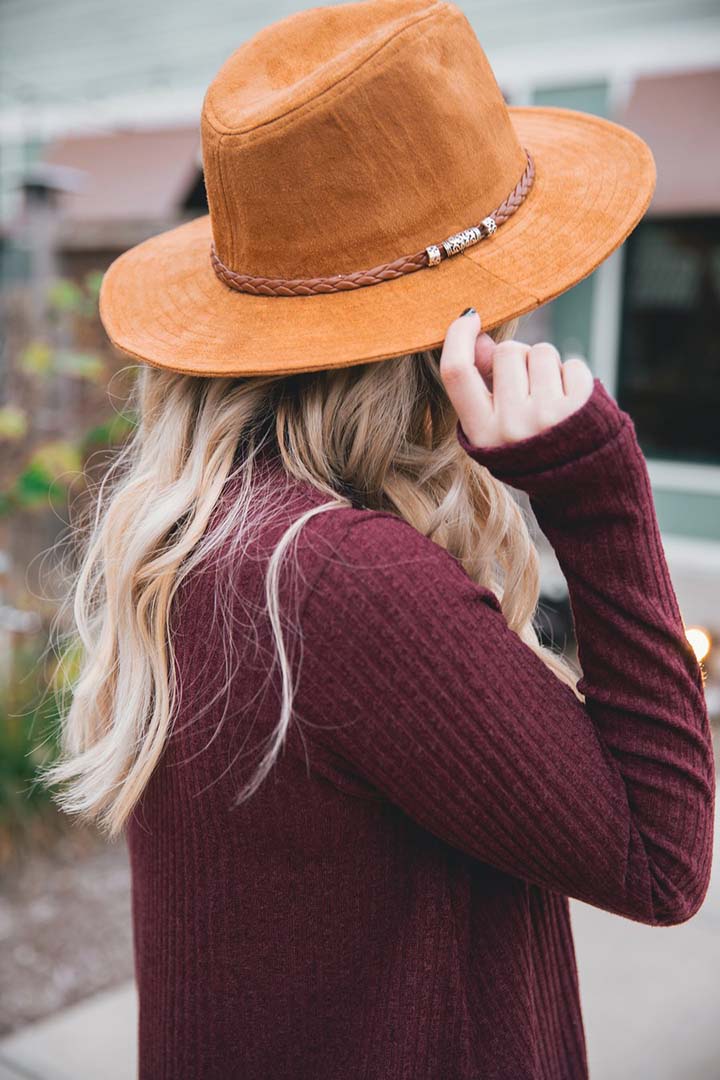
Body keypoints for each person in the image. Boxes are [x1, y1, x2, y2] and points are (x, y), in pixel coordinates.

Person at [44, 2, 715, 1078]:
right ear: (448, 337)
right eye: (502, 299)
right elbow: (662, 857)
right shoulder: (339, 581)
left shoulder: (213, 541)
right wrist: (598, 489)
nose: (518, 324)